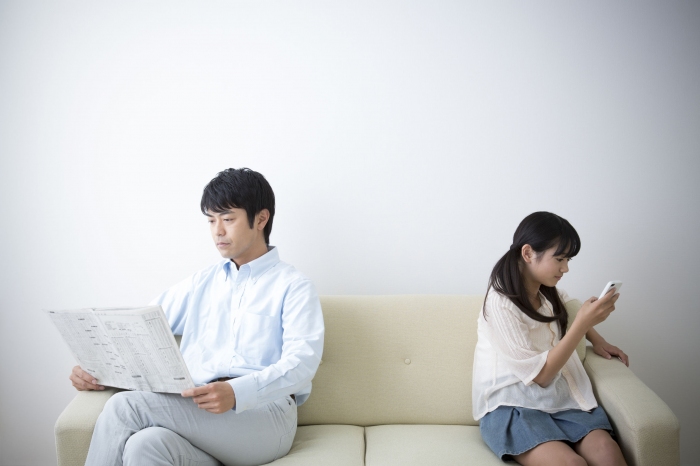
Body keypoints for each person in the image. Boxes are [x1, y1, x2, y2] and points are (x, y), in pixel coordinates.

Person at [68, 168, 325, 466]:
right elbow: (136, 330)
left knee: (125, 407)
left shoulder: (294, 286)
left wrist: (237, 392)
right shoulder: (201, 283)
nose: (218, 231)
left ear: (261, 219)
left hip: (266, 416)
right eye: (211, 220)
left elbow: (302, 363)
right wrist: (96, 369)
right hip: (200, 412)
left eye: (228, 219)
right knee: (144, 445)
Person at [473, 211, 629, 466]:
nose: (565, 268)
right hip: (513, 405)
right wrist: (582, 324)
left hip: (562, 400)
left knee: (607, 454)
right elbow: (541, 376)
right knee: (572, 464)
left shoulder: (548, 291)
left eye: (567, 259)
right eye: (559, 259)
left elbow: (572, 307)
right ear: (527, 253)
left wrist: (597, 339)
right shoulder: (500, 304)